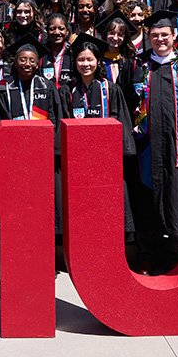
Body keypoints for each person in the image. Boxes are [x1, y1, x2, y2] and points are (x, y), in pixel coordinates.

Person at [123, 10, 178, 275]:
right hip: (144, 150)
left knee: (177, 202)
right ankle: (147, 256)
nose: (159, 39)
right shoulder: (136, 66)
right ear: (148, 37)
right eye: (154, 35)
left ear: (175, 35)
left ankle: (176, 255)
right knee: (146, 200)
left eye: (164, 34)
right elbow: (125, 106)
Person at [60, 34, 137, 242]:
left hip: (106, 161)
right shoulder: (66, 91)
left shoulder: (111, 89)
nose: (85, 64)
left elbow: (121, 123)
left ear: (98, 61)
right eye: (81, 60)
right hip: (78, 162)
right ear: (74, 62)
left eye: (90, 59)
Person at [0, 33, 63, 234]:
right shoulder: (3, 87)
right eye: (23, 59)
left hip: (43, 156)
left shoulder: (47, 87)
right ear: (15, 62)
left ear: (38, 64)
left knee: (42, 201)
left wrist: (52, 151)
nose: (27, 64)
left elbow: (56, 118)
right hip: (13, 155)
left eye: (32, 60)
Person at [97, 12, 137, 85]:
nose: (115, 38)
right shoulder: (98, 59)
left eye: (120, 35)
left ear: (125, 37)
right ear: (106, 34)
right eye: (112, 33)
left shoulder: (130, 59)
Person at [41, 13, 73, 88]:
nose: (57, 32)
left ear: (67, 31)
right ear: (47, 31)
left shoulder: (72, 52)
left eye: (61, 28)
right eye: (52, 29)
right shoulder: (42, 53)